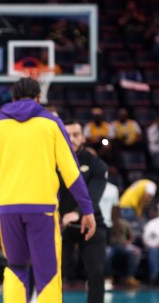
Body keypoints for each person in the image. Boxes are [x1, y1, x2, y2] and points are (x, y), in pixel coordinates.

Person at [0, 78, 96, 303]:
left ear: (12, 99)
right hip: (43, 210)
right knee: (48, 272)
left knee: (15, 268)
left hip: (8, 210)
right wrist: (87, 209)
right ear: (39, 98)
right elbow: (72, 171)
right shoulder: (50, 123)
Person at [59, 120, 108, 303]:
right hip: (63, 226)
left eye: (76, 134)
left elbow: (93, 196)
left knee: (95, 272)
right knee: (55, 272)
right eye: (67, 134)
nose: (71, 138)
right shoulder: (53, 162)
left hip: (91, 225)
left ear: (83, 137)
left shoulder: (97, 165)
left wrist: (77, 213)